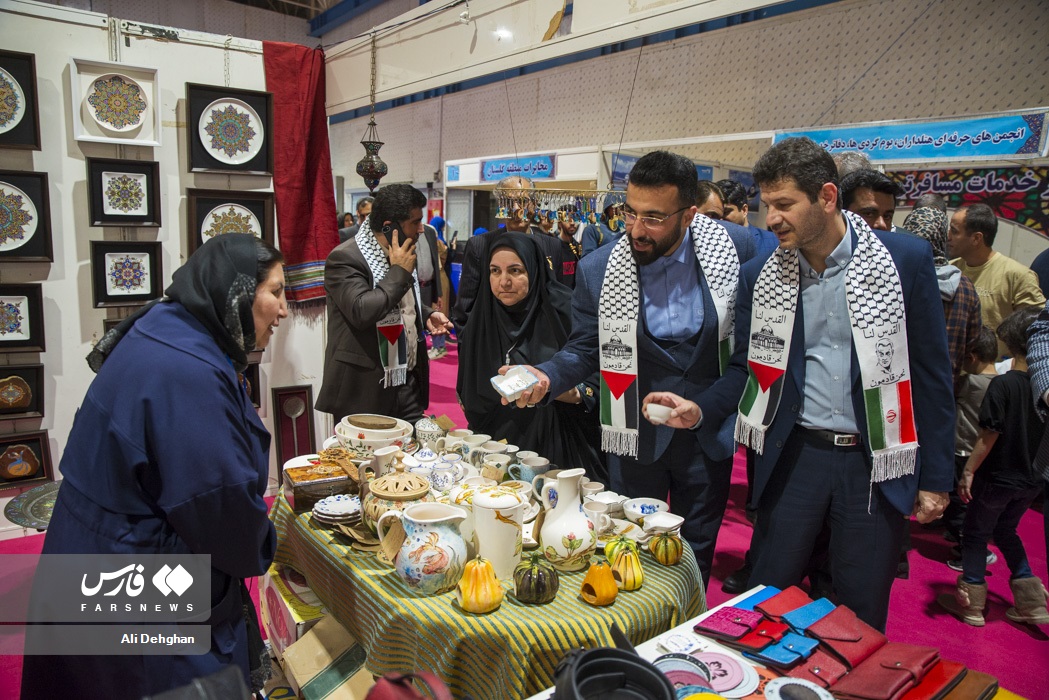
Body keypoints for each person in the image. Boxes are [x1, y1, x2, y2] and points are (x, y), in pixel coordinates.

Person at [659, 137, 955, 630]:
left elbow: (931, 374)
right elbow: (747, 371)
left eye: (783, 205)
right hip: (795, 456)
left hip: (875, 457)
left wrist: (936, 478)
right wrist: (702, 408)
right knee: (768, 598)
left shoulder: (903, 260)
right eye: (766, 205)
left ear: (827, 197)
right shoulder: (761, 275)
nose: (771, 218)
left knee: (860, 609)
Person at [20, 234, 287, 698]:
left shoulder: (167, 324)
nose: (284, 310)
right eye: (277, 292)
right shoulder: (191, 375)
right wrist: (272, 538)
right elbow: (222, 516)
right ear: (238, 292)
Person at [500, 150, 750, 585]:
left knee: (696, 555)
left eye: (653, 218)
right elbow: (584, 348)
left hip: (706, 433)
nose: (636, 229)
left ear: (689, 214)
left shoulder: (737, 248)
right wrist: (547, 375)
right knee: (628, 549)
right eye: (630, 212)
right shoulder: (599, 268)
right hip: (634, 432)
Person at [457, 232, 603, 477]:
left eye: (515, 271)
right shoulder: (481, 320)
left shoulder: (564, 311)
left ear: (534, 269)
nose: (503, 281)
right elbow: (470, 393)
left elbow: (595, 383)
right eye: (495, 271)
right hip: (496, 449)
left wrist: (551, 387)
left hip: (562, 445)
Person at [937, 308, 1049, 626]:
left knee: (974, 532)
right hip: (1032, 479)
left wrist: (969, 471)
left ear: (1010, 346)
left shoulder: (1003, 385)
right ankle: (1030, 597)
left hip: (998, 477)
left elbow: (988, 437)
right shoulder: (1044, 390)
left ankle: (972, 600)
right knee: (1007, 530)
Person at [317, 184, 453, 423]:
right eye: (415, 222)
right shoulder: (345, 258)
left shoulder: (400, 248)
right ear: (389, 226)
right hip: (364, 390)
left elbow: (397, 302)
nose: (421, 229)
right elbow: (362, 310)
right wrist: (399, 271)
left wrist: (426, 313)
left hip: (407, 381)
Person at [450, 176, 566, 330]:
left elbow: (558, 300)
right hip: (493, 338)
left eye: (523, 201)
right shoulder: (480, 246)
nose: (518, 208)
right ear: (501, 206)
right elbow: (465, 309)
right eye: (510, 202)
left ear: (534, 204)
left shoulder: (552, 246)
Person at [948, 203, 1045, 356]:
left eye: (954, 231)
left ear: (976, 238)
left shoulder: (1017, 275)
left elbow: (1038, 329)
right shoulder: (949, 271)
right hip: (955, 370)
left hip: (995, 374)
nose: (948, 236)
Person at [903, 206, 982, 388]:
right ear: (942, 237)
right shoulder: (965, 287)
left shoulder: (898, 278)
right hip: (946, 389)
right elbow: (972, 341)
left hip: (900, 395)